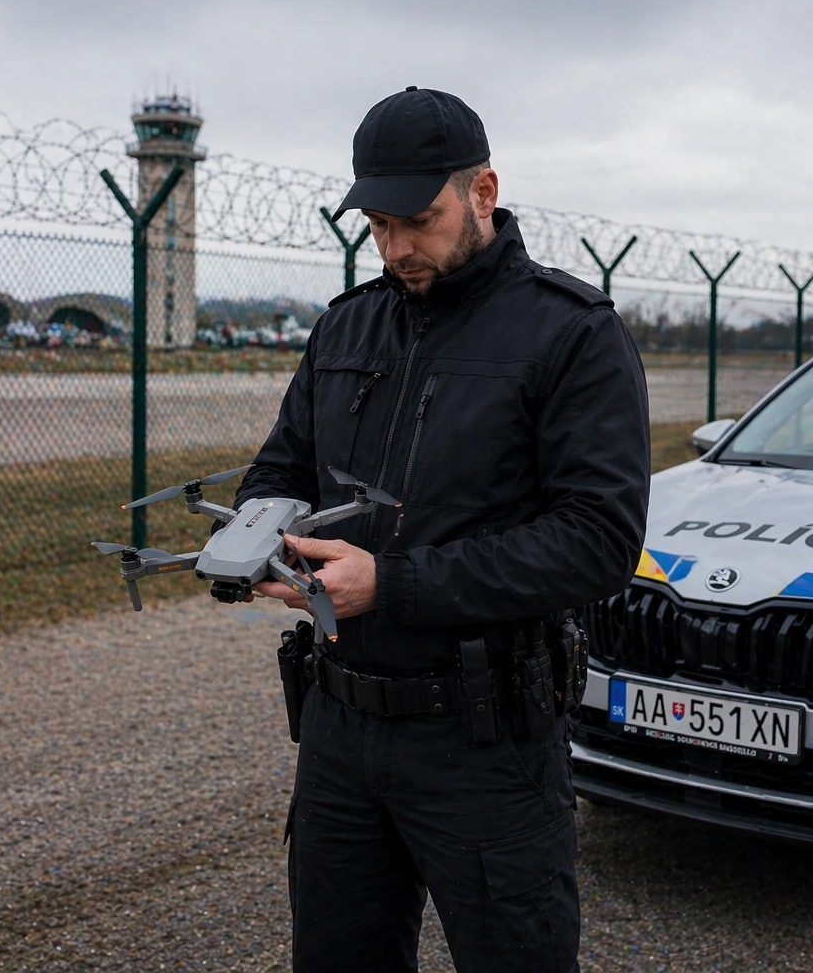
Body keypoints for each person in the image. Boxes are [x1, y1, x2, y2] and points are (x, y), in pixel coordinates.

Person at [235, 87, 650, 972]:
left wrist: (392, 584)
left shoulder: (571, 335)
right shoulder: (347, 325)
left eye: (418, 222)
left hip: (486, 742)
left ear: (483, 193)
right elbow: (280, 469)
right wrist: (256, 538)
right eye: (378, 226)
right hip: (340, 730)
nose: (396, 249)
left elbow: (599, 541)